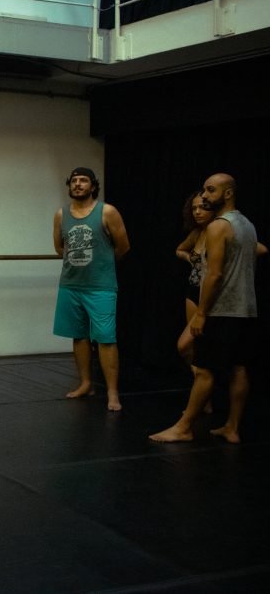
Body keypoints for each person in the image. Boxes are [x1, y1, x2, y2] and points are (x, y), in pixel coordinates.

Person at [151, 174, 261, 444]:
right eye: (204, 190)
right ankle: (232, 427)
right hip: (246, 309)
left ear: (227, 194)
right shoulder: (247, 225)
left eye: (211, 191)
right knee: (239, 368)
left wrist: (202, 313)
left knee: (203, 370)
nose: (205, 196)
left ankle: (184, 427)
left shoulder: (218, 226)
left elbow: (214, 275)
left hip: (222, 310)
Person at [52, 166, 130, 411]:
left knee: (106, 338)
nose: (78, 184)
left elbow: (123, 247)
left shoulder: (107, 212)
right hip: (71, 286)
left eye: (83, 180)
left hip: (101, 287)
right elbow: (59, 247)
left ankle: (113, 393)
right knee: (79, 336)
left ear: (93, 186)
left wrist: (102, 265)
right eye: (74, 180)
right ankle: (86, 384)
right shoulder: (61, 215)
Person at [175, 191, 213, 367]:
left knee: (195, 343)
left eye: (203, 207)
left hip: (213, 293)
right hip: (193, 290)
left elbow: (260, 249)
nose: (197, 212)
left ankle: (206, 382)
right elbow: (179, 250)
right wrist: (189, 258)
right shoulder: (197, 233)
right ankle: (200, 380)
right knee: (191, 345)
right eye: (194, 208)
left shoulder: (224, 231)